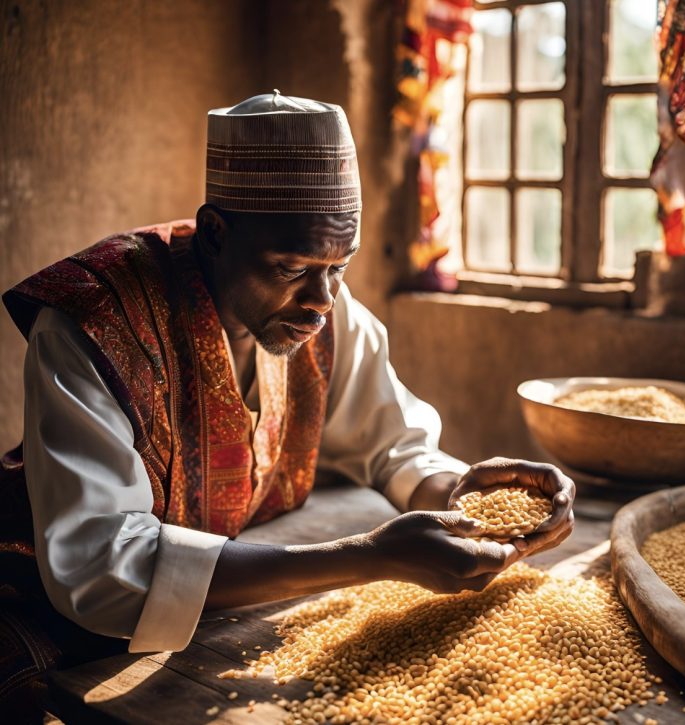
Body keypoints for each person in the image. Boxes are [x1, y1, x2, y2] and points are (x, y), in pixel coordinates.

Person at [0, 92, 574, 716]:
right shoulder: (93, 321)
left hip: (216, 590)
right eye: (292, 266)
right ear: (215, 233)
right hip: (45, 602)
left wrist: (464, 497)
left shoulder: (321, 305)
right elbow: (98, 567)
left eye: (340, 266)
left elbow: (393, 444)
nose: (323, 298)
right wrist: (370, 557)